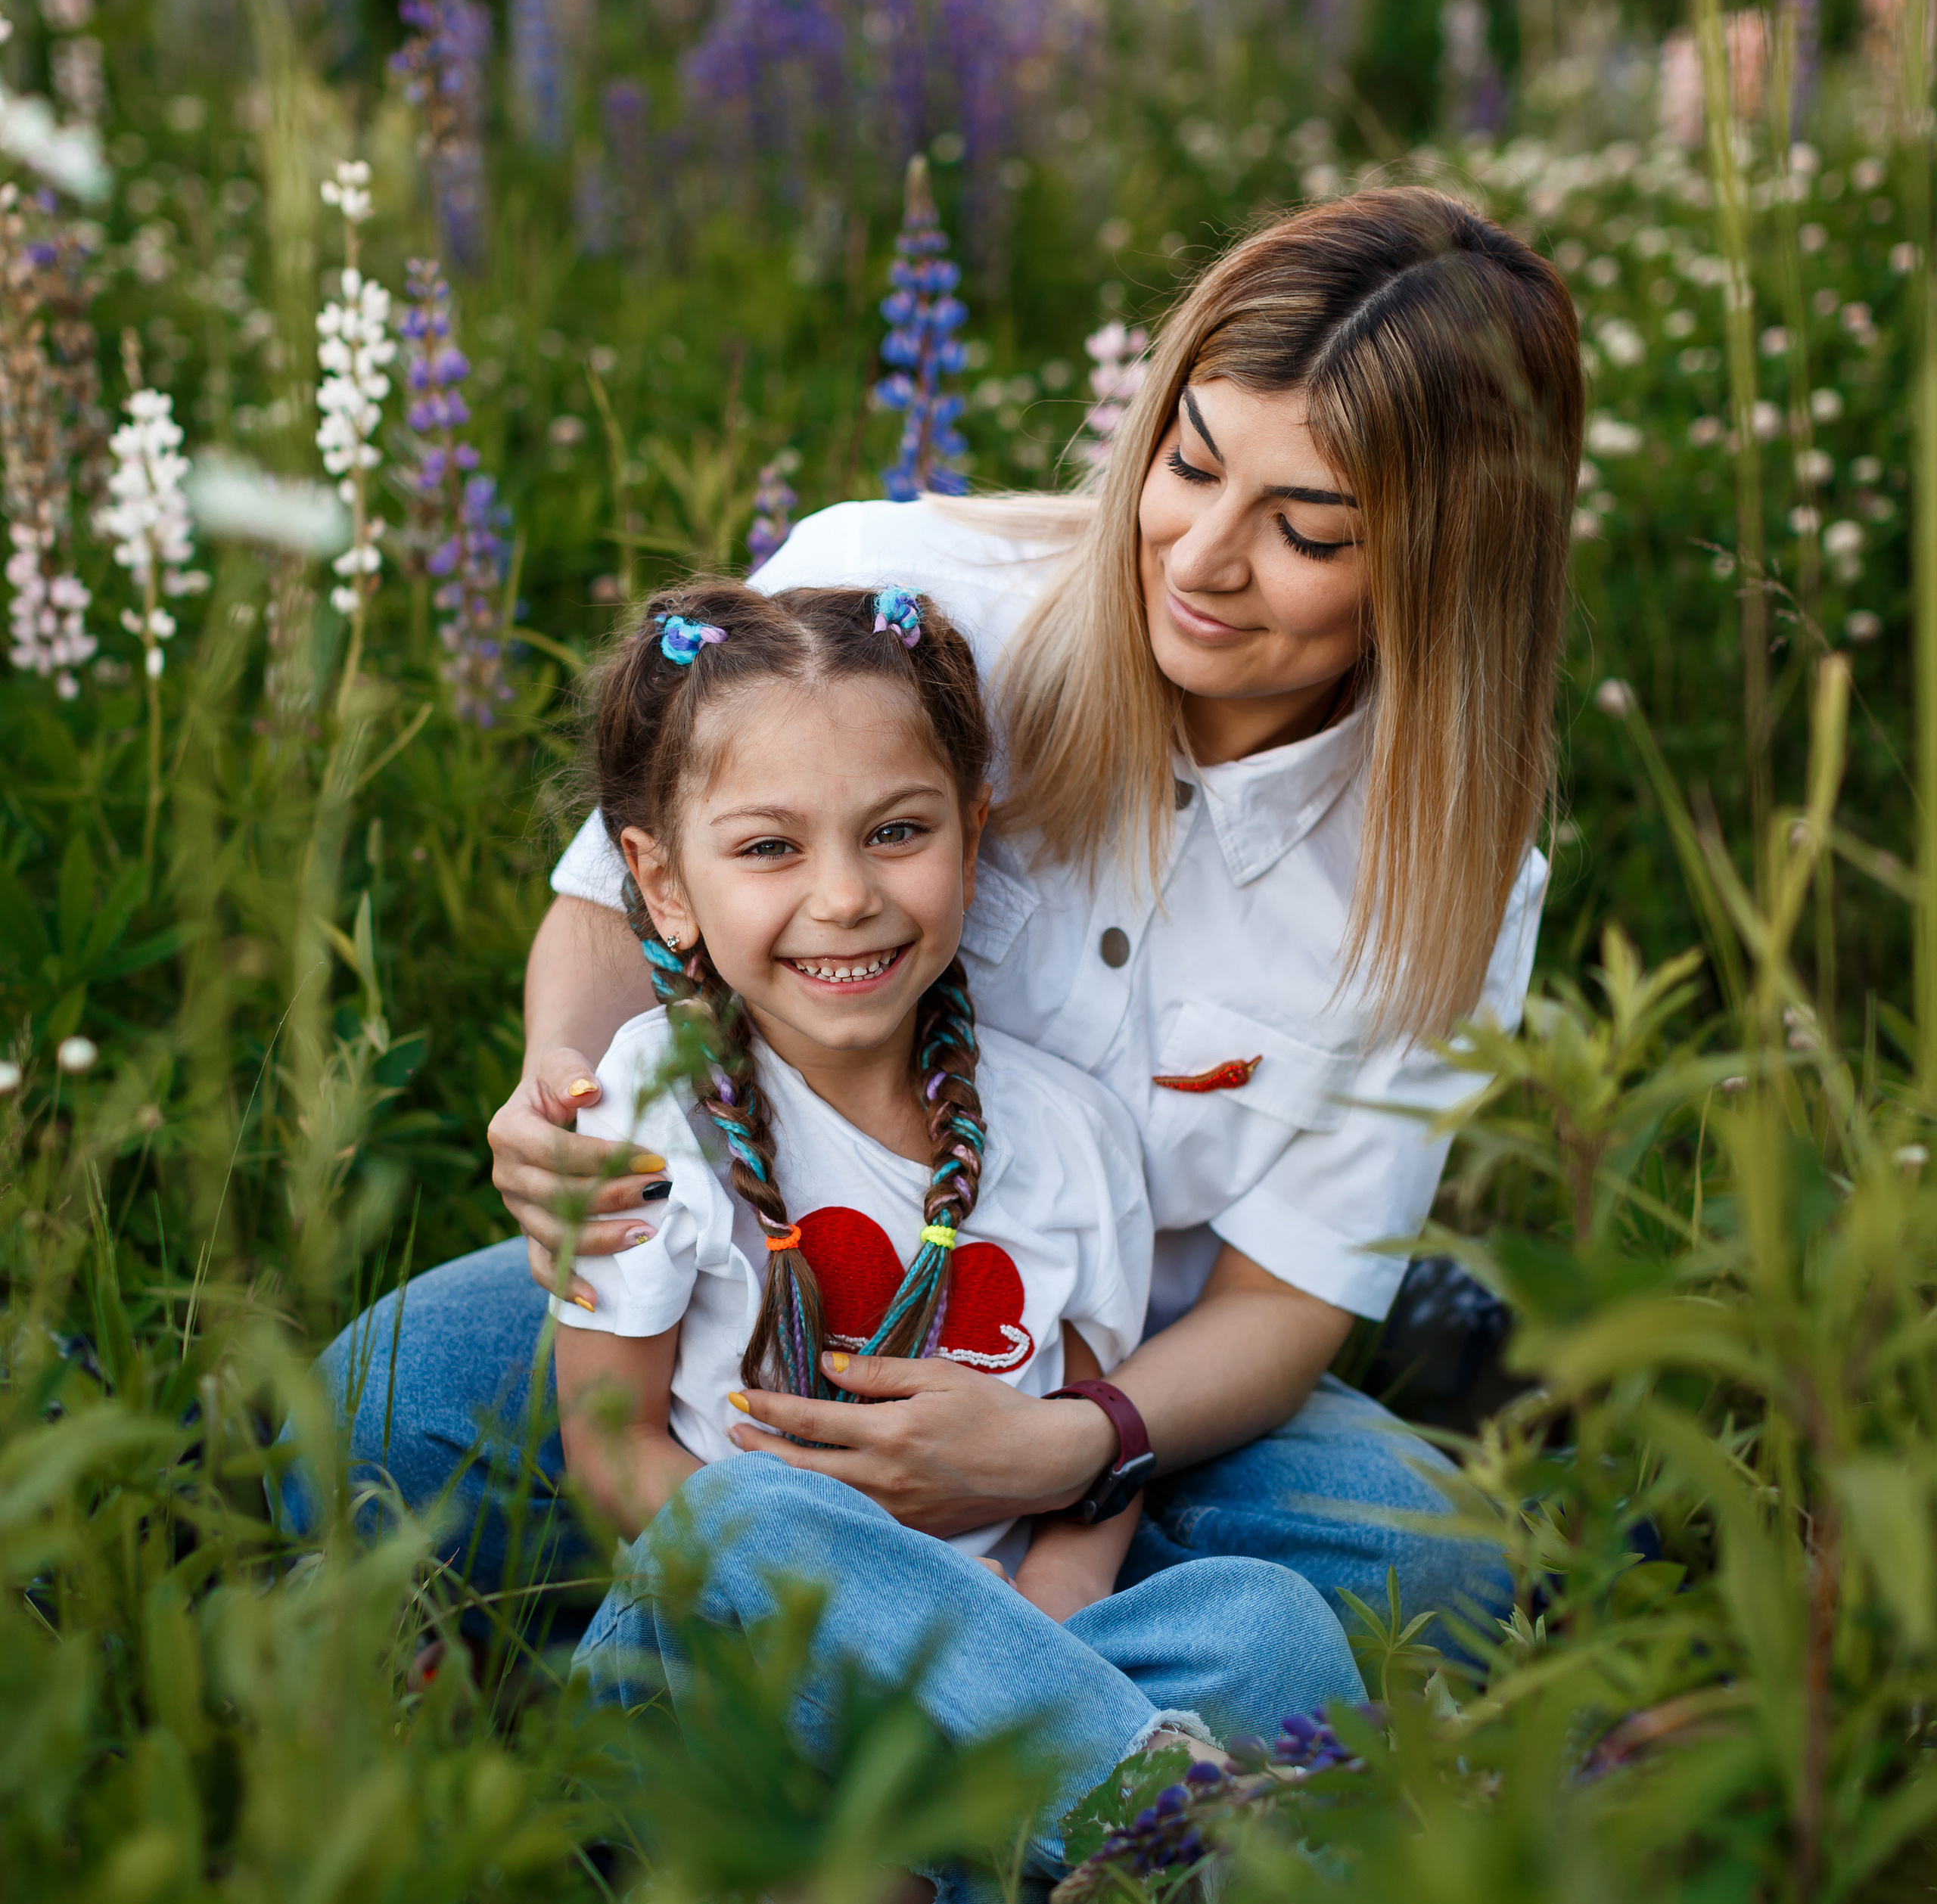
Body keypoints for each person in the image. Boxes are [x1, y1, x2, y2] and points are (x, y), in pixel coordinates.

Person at [311, 188, 1580, 1664]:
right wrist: (563, 1094)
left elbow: (1281, 1301)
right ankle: (1028, 1673)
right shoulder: (909, 607)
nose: (1198, 558)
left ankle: (963, 1637)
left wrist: (1066, 1447)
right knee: (371, 1421)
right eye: (1188, 462)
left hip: (1126, 1388)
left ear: (1443, 573)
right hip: (727, 1313)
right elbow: (617, 900)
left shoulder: (1447, 872)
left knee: (1441, 1578)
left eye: (1304, 531)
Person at [552, 576, 1358, 1904]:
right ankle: (1126, 1838)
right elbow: (610, 1448)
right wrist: (867, 1629)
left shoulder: (1075, 1141)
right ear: (662, 883)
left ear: (973, 839)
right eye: (768, 850)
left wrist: (1016, 1664)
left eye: (898, 832)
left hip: (1011, 1685)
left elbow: (1082, 1496)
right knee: (751, 1505)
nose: (846, 896)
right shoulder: (647, 1103)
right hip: (744, 1678)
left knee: (1268, 1624)